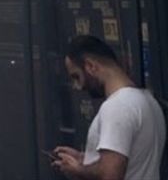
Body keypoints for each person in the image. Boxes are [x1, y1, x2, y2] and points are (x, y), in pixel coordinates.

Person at [52, 35, 165, 180]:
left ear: (90, 66)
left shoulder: (117, 107)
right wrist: (84, 159)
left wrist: (78, 170)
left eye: (76, 76)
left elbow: (110, 174)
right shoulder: (147, 100)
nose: (77, 86)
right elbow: (130, 162)